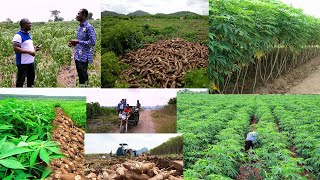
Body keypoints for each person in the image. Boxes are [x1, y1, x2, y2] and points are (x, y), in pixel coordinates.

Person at [68, 8, 96, 87]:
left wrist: (78, 42)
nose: (76, 15)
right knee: (80, 76)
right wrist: (73, 44)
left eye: (78, 14)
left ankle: (85, 88)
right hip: (78, 56)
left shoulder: (89, 27)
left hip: (84, 56)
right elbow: (80, 41)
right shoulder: (79, 27)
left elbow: (93, 42)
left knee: (83, 78)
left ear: (84, 15)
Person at [12, 18, 41, 87]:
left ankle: (29, 95)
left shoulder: (28, 35)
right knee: (20, 81)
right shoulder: (18, 36)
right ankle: (18, 96)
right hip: (23, 63)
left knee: (31, 80)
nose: (31, 24)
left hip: (30, 62)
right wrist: (29, 52)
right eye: (29, 23)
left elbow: (26, 46)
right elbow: (16, 48)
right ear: (24, 25)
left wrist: (34, 49)